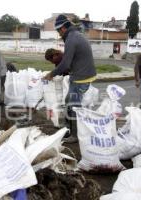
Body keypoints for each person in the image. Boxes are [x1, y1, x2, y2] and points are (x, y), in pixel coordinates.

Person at [43, 14, 97, 143]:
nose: (59, 34)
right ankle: (68, 127)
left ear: (62, 29)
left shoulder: (71, 39)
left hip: (80, 78)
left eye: (58, 31)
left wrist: (51, 74)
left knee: (73, 107)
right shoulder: (76, 35)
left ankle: (75, 135)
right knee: (68, 101)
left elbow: (66, 63)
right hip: (82, 74)